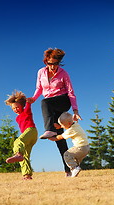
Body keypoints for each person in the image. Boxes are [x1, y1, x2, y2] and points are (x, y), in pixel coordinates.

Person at [28, 48, 82, 176]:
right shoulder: (41, 72)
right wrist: (33, 99)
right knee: (59, 138)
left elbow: (71, 92)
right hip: (51, 106)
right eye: (49, 63)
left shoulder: (64, 73)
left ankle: (49, 129)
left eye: (55, 64)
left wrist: (75, 110)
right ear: (46, 61)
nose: (52, 67)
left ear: (59, 63)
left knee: (45, 102)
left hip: (63, 101)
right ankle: (70, 169)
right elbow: (39, 88)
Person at [5, 90, 38, 180]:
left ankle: (18, 153)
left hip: (31, 131)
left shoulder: (26, 111)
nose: (16, 109)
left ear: (22, 106)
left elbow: (28, 105)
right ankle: (27, 175)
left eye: (17, 107)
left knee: (18, 141)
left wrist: (28, 101)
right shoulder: (17, 118)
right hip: (28, 135)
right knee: (25, 156)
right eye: (13, 109)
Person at [48, 112, 90, 177]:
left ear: (69, 123)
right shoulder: (76, 125)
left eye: (63, 125)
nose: (62, 127)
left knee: (67, 154)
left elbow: (60, 137)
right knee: (75, 160)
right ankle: (75, 172)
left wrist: (52, 138)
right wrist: (60, 126)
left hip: (80, 147)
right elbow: (67, 126)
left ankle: (74, 168)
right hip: (86, 148)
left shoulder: (71, 130)